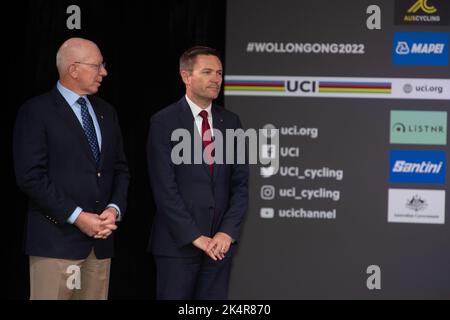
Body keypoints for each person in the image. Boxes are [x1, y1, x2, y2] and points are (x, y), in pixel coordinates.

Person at [13, 37, 130, 300]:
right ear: (73, 69)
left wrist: (114, 209)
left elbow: (120, 169)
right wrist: (77, 216)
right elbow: (30, 177)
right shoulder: (36, 111)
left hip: (100, 244)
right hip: (55, 244)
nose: (104, 72)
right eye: (97, 66)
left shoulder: (107, 112)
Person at [147, 46, 249, 299]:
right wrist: (195, 237)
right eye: (207, 72)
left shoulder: (231, 122)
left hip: (219, 247)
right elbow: (164, 189)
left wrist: (226, 233)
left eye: (219, 73)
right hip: (177, 246)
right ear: (186, 76)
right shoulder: (164, 122)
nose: (216, 79)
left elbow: (241, 185)